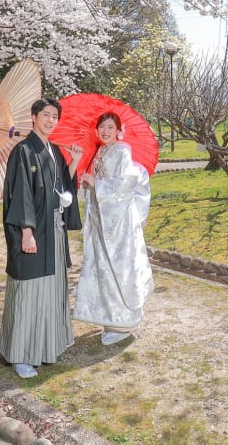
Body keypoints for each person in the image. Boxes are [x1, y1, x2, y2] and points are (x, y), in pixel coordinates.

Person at [0, 97, 83, 379]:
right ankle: (21, 355)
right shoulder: (23, 151)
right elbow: (19, 193)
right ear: (33, 117)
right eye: (46, 115)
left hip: (54, 233)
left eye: (54, 116)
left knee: (49, 291)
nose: (50, 120)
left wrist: (76, 161)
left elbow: (62, 186)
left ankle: (45, 347)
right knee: (28, 292)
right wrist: (26, 232)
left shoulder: (54, 151)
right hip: (34, 234)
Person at [73, 111, 154, 345]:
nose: (106, 131)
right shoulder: (100, 151)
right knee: (104, 270)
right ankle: (111, 318)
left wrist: (96, 182)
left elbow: (125, 183)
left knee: (120, 269)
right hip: (103, 221)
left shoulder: (122, 150)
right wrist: (89, 184)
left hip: (119, 226)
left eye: (111, 127)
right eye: (102, 127)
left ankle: (124, 323)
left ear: (118, 130)